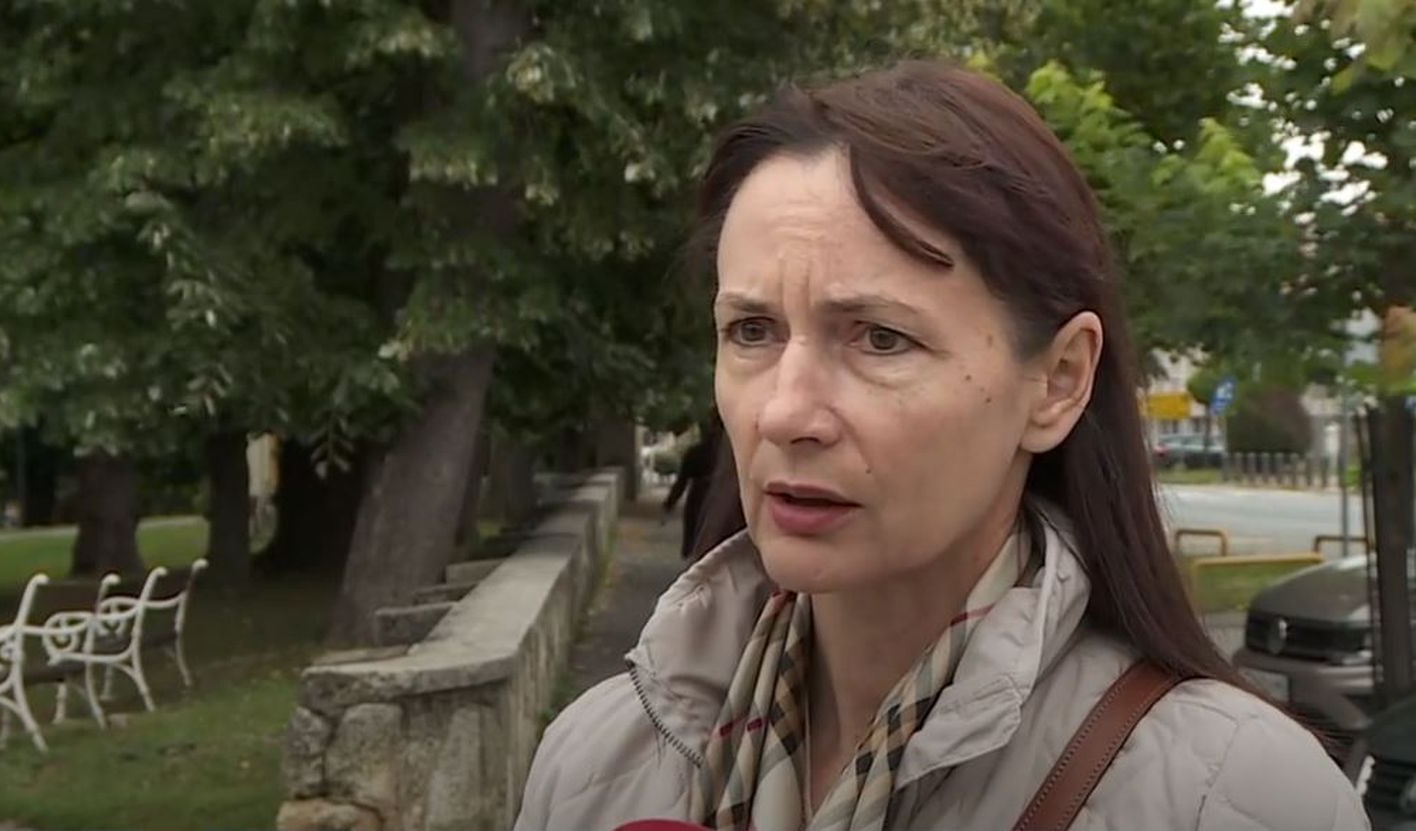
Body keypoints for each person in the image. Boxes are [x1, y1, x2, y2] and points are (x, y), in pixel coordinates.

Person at [515, 60, 1366, 831]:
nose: (785, 412)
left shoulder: (1236, 795)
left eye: (880, 338)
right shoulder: (597, 761)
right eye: (752, 330)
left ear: (1059, 380)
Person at [661, 413, 722, 560]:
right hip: (720, 498)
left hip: (699, 499)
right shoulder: (731, 455)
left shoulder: (695, 452)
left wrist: (669, 504)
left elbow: (681, 483)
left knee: (695, 541)